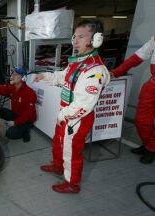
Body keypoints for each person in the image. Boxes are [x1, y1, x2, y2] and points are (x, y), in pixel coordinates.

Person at [34, 19, 110, 193]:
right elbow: (63, 77)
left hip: (78, 117)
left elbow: (85, 103)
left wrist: (63, 115)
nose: (75, 41)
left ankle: (72, 183)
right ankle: (58, 166)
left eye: (81, 37)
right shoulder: (78, 61)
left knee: (71, 151)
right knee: (58, 142)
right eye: (74, 36)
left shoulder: (94, 69)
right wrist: (45, 76)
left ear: (96, 39)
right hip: (66, 113)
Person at [110, 35, 155, 164]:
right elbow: (137, 57)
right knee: (141, 121)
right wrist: (116, 72)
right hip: (152, 86)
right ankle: (149, 145)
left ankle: (151, 148)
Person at [0, 67, 37, 142]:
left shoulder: (30, 93)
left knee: (10, 134)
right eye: (13, 73)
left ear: (23, 78)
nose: (12, 76)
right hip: (16, 115)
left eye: (15, 74)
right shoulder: (13, 88)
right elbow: (1, 89)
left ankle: (25, 130)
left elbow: (27, 115)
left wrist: (14, 123)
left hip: (27, 120)